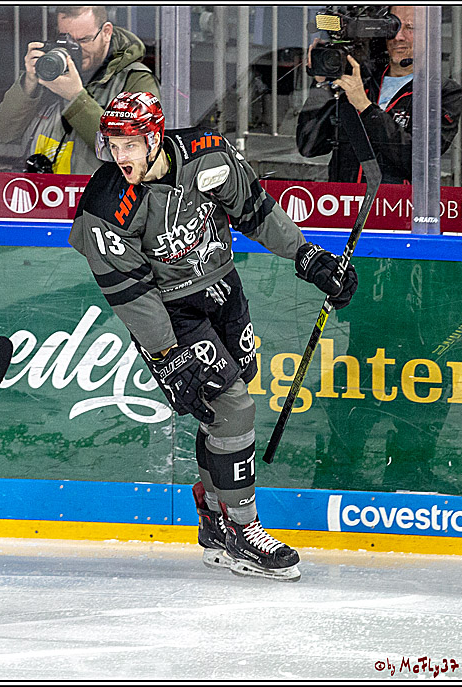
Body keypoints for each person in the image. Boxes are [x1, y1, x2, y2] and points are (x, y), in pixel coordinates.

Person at [69, 92, 360, 581]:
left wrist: (306, 256)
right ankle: (245, 530)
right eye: (112, 145)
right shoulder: (105, 204)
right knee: (234, 405)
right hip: (170, 312)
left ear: (155, 138)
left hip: (224, 289)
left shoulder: (209, 155)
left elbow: (256, 211)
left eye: (130, 144)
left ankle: (213, 521)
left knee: (225, 412)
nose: (120, 156)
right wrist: (166, 355)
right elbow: (131, 294)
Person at [296, 6, 462, 184]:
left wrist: (366, 108)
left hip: (394, 200)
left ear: (430, 35)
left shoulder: (442, 91)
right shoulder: (362, 79)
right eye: (391, 26)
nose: (398, 37)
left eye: (411, 28)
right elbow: (309, 146)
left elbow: (419, 159)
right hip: (344, 198)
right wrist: (322, 84)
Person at [0, 6, 159, 175]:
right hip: (43, 189)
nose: (76, 49)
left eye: (84, 40)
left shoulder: (134, 80)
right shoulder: (50, 72)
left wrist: (76, 98)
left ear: (106, 33)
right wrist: (29, 83)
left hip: (94, 191)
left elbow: (137, 155)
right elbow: (4, 131)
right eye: (66, 40)